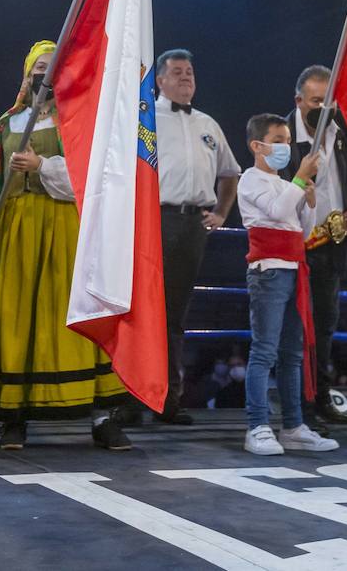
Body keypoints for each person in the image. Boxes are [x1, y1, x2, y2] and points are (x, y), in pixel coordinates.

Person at [0, 42, 132, 451]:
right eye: (39, 67)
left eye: (52, 68)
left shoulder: (80, 120)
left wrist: (42, 166)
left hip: (68, 230)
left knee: (76, 318)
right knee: (14, 319)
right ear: (27, 73)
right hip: (17, 230)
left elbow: (90, 177)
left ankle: (101, 416)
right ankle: (12, 417)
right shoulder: (9, 123)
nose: (44, 75)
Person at [119, 48, 239, 426]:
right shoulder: (145, 118)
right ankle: (129, 398)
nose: (186, 77)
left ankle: (169, 397)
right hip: (152, 219)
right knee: (138, 309)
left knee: (174, 315)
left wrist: (221, 212)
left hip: (191, 226)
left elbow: (230, 172)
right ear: (160, 79)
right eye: (178, 71)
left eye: (190, 71)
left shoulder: (208, 123)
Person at [238, 113, 338, 456]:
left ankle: (293, 426)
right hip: (269, 272)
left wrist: (309, 201)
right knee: (264, 350)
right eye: (277, 140)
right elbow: (279, 213)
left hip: (295, 270)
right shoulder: (249, 179)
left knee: (292, 354)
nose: (285, 146)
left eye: (286, 140)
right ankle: (257, 426)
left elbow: (303, 229)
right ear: (257, 145)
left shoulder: (285, 183)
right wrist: (298, 182)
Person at [282, 64, 347, 432]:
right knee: (297, 328)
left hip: (334, 243)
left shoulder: (343, 131)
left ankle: (322, 396)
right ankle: (298, 405)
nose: (324, 108)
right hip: (294, 247)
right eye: (317, 101)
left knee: (327, 323)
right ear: (299, 100)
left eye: (329, 101)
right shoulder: (281, 137)